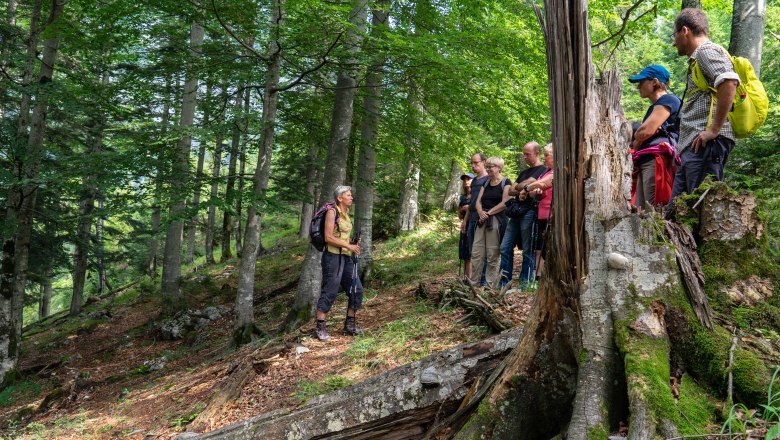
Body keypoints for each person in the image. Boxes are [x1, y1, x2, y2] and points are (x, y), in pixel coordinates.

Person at [670, 8, 739, 202]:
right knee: (678, 210)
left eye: (674, 35)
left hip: (705, 144)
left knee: (701, 210)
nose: (674, 42)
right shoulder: (697, 58)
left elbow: (729, 81)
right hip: (695, 146)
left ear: (685, 31)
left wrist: (713, 130)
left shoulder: (706, 51)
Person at [628, 64, 682, 210]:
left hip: (656, 159)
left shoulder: (669, 100)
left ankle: (659, 233)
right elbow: (646, 131)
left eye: (641, 82)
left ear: (654, 82)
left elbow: (645, 131)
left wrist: (637, 142)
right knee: (640, 209)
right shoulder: (654, 107)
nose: (638, 86)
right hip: (647, 159)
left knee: (653, 209)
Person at [315, 185, 363, 342]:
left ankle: (349, 324)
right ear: (339, 198)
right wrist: (350, 246)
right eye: (348, 195)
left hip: (345, 257)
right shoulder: (332, 212)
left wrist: (352, 242)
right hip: (332, 257)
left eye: (351, 195)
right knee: (330, 290)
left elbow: (341, 238)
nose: (351, 197)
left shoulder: (347, 214)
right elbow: (328, 237)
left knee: (356, 289)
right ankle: (320, 327)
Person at [500, 141, 547, 288]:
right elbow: (511, 191)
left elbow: (533, 184)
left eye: (527, 154)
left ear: (537, 153)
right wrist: (525, 186)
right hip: (515, 213)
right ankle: (504, 282)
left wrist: (524, 186)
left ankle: (525, 283)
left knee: (528, 249)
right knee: (504, 247)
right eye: (524, 154)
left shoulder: (543, 170)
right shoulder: (524, 172)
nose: (524, 157)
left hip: (529, 212)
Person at [470, 157, 511, 289]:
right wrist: (481, 212)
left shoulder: (506, 182)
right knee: (476, 252)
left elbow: (505, 203)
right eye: (487, 166)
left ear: (499, 167)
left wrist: (489, 213)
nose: (488, 169)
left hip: (496, 221)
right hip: (482, 220)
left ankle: (489, 286)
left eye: (491, 166)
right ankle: (474, 283)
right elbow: (478, 201)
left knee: (492, 254)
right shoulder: (486, 182)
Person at [527, 144, 554, 281]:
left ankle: (548, 277)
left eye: (547, 155)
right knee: (542, 247)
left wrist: (528, 187)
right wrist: (531, 190)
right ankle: (540, 277)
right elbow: (534, 191)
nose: (544, 158)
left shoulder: (555, 171)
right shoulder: (545, 172)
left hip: (551, 213)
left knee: (549, 246)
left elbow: (544, 183)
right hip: (541, 213)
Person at [464, 153, 489, 284]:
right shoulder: (474, 181)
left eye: (476, 163)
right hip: (471, 217)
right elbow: (471, 203)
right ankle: (475, 279)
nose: (473, 166)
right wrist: (465, 221)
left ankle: (484, 280)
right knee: (473, 250)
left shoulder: (488, 179)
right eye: (472, 163)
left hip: (482, 218)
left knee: (483, 250)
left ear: (484, 162)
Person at [458, 173, 474, 280]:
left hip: (473, 224)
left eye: (468, 179)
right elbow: (459, 215)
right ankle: (466, 278)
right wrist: (461, 210)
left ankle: (471, 279)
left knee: (471, 252)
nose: (466, 181)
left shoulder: (477, 195)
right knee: (464, 252)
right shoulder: (462, 198)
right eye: (464, 180)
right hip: (464, 225)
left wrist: (469, 208)